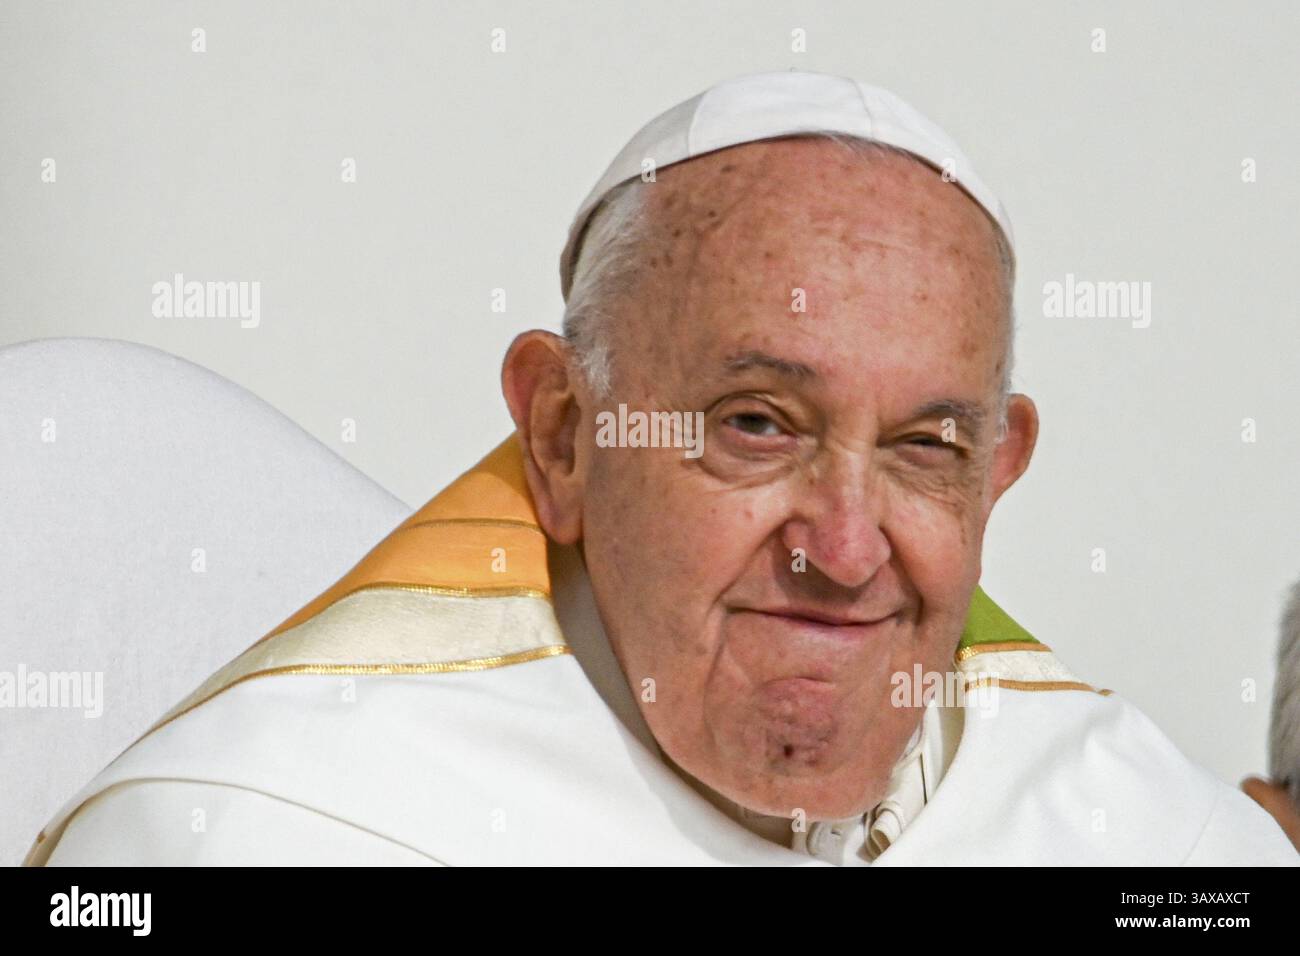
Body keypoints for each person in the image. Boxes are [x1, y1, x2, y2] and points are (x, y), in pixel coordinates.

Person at [27, 69, 1297, 865]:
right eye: (757, 424)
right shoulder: (255, 832)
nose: (845, 550)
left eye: (924, 447)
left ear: (998, 471)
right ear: (566, 434)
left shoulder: (1166, 848)